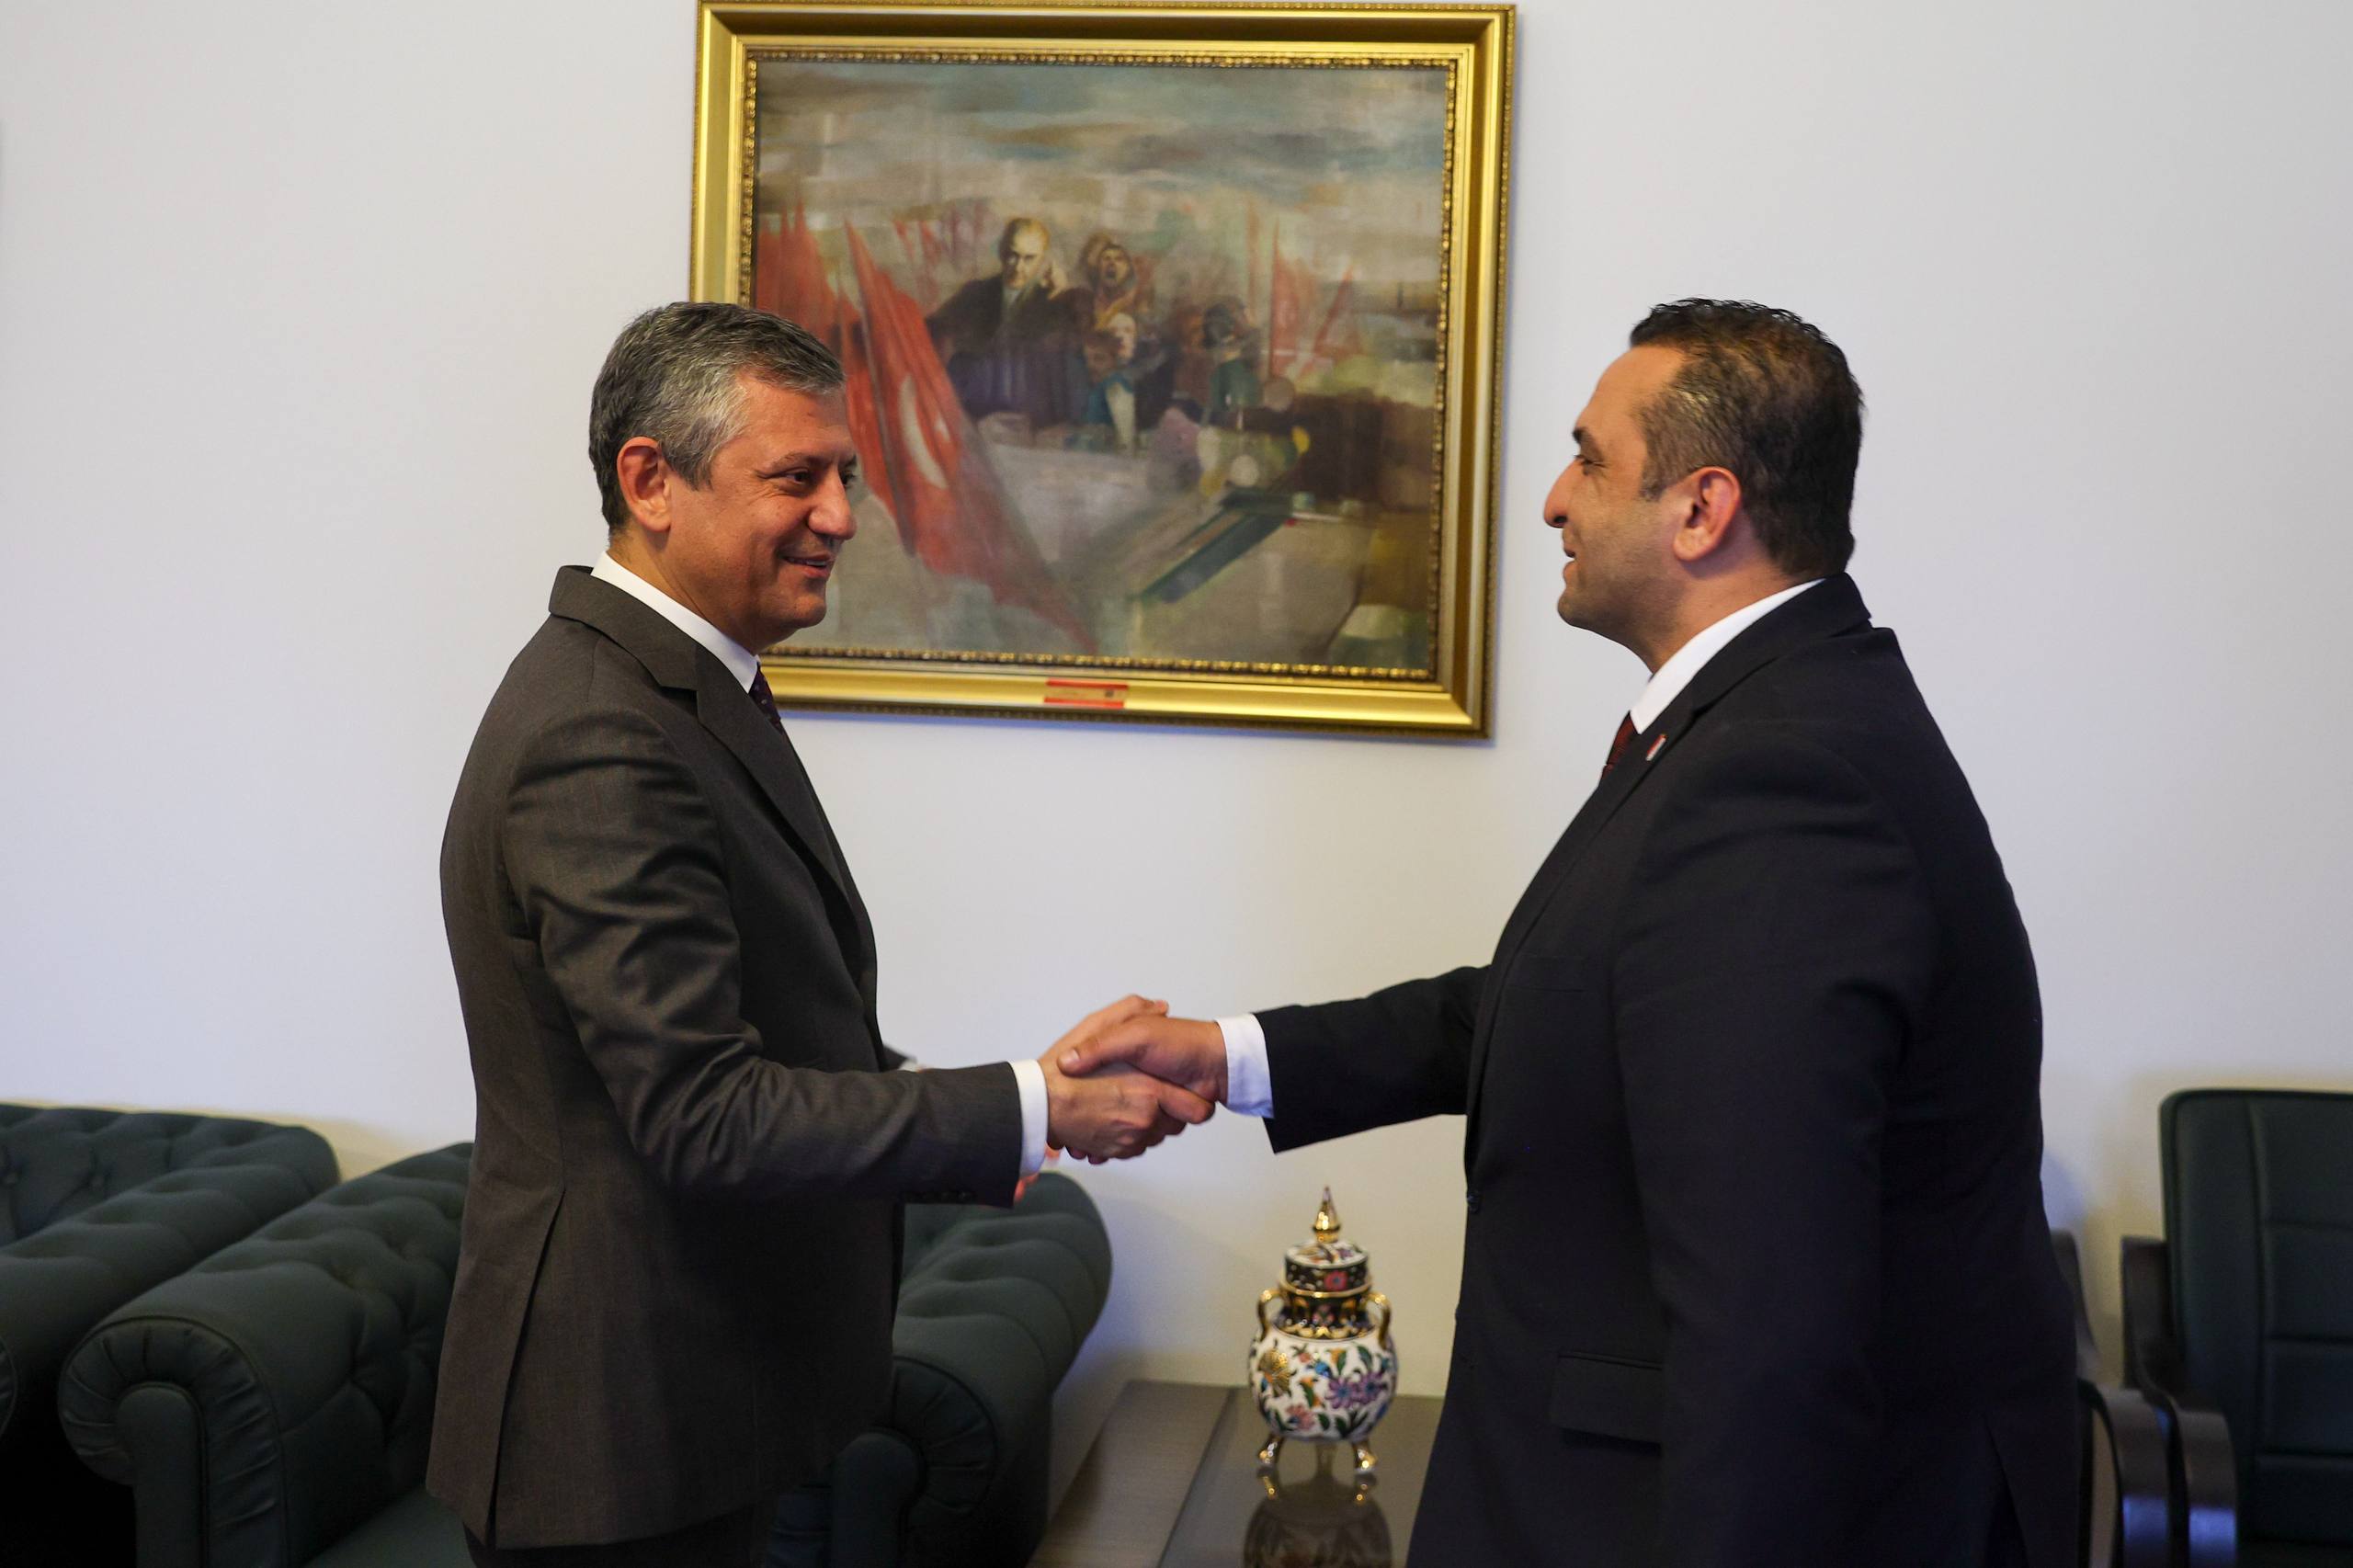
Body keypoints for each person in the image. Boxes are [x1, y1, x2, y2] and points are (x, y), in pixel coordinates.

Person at [1061, 301, 2078, 1567]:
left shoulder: (1782, 778)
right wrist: (1233, 1055)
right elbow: (1560, 999)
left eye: (1590, 460)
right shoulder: (1763, 719)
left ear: (1701, 509)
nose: (1552, 500)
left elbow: (1768, 1324)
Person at [430, 301, 1211, 1567]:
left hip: (694, 1411)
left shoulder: (682, 688)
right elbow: (703, 1112)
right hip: (615, 1439)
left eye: (844, 474)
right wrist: (1030, 1107)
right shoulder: (600, 732)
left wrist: (1028, 1099)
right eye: (798, 477)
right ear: (651, 480)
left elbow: (782, 1027)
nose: (844, 515)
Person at [925, 216, 1083, 426]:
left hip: (1032, 422)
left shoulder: (1054, 302)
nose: (1018, 267)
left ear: (1043, 260)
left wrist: (1063, 297)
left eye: (1029, 258)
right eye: (1013, 255)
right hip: (975, 416)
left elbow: (1071, 363)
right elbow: (931, 329)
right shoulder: (976, 293)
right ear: (1001, 251)